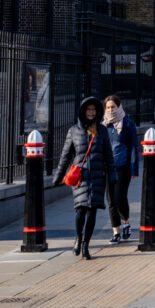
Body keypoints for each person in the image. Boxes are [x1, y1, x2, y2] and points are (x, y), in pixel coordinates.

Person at [54, 96, 116, 260]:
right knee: (80, 210)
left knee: (92, 211)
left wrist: (113, 175)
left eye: (94, 110)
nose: (91, 112)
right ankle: (78, 237)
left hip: (97, 176)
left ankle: (86, 245)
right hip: (81, 176)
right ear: (83, 111)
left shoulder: (102, 130)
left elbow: (108, 155)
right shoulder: (73, 131)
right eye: (88, 109)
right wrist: (58, 176)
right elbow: (65, 156)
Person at [102, 94, 139, 244]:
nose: (111, 110)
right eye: (108, 107)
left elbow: (133, 147)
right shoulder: (103, 125)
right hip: (107, 167)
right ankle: (116, 231)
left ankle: (126, 222)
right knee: (110, 200)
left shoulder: (127, 123)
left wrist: (133, 169)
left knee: (119, 198)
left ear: (119, 107)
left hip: (122, 167)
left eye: (113, 107)